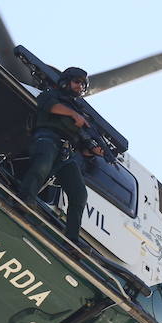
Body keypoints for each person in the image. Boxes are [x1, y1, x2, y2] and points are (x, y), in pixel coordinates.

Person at [17, 66, 104, 243]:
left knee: (79, 193)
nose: (80, 87)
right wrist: (74, 115)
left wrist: (94, 150)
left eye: (83, 84)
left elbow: (82, 143)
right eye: (77, 82)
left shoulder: (78, 111)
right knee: (41, 167)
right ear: (66, 81)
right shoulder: (52, 95)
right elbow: (49, 106)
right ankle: (25, 199)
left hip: (66, 151)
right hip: (47, 139)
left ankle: (72, 238)